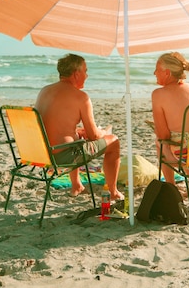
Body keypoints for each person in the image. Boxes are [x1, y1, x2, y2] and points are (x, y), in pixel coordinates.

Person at [35, 53, 123, 201]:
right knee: (113, 142)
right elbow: (94, 135)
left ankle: (76, 185)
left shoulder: (44, 91)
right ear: (76, 74)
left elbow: (51, 123)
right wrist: (103, 132)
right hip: (61, 156)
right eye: (85, 71)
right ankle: (113, 192)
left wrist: (74, 132)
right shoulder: (81, 97)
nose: (87, 75)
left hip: (38, 153)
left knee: (76, 137)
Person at [151, 51, 189, 195]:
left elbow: (164, 134)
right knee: (188, 137)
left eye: (157, 69)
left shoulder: (158, 94)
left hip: (184, 154)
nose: (154, 72)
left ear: (167, 73)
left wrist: (157, 129)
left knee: (160, 142)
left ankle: (171, 188)